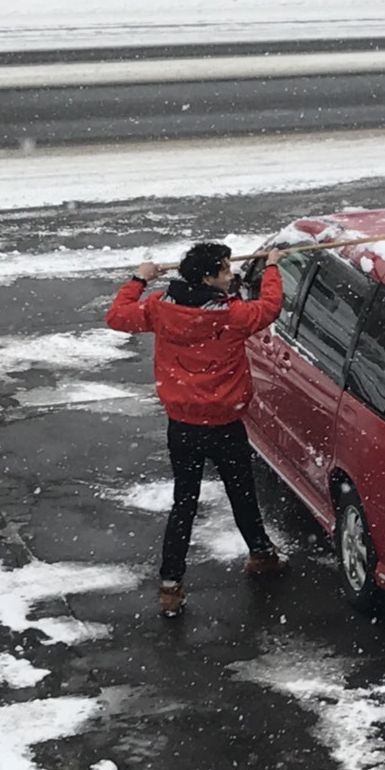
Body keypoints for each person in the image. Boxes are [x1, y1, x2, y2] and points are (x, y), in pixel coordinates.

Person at [106, 242, 287, 618]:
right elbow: (269, 308)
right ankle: (261, 554)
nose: (230, 274)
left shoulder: (160, 306)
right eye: (224, 270)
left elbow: (117, 316)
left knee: (184, 504)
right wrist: (271, 269)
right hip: (225, 423)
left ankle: (171, 585)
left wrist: (139, 278)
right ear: (208, 277)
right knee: (242, 493)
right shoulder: (232, 315)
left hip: (183, 425)